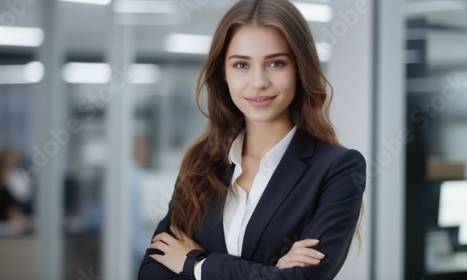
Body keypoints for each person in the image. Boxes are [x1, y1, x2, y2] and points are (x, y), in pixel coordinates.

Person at [138, 0, 366, 279]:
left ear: (300, 68)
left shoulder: (338, 169)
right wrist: (269, 272)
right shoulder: (202, 163)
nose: (258, 81)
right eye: (241, 65)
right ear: (223, 73)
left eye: (276, 63)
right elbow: (152, 271)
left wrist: (197, 264)